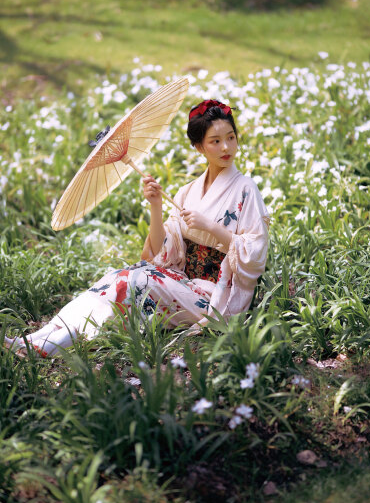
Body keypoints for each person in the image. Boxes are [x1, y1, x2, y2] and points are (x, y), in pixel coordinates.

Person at [4, 98, 269, 357]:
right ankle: (43, 336)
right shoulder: (188, 191)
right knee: (116, 278)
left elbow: (255, 253)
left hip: (215, 296)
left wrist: (210, 226)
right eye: (216, 141)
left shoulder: (246, 189)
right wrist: (155, 206)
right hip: (185, 283)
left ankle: (54, 342)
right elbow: (160, 253)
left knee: (136, 281)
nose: (227, 147)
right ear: (199, 147)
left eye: (231, 137)